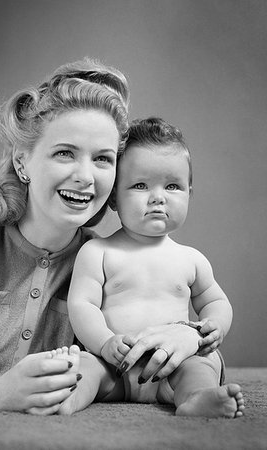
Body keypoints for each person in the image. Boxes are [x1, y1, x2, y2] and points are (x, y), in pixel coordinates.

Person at [0, 60, 205, 450]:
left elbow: (166, 350)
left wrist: (186, 336)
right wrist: (2, 393)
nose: (86, 176)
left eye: (102, 158)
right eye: (65, 153)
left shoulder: (104, 260)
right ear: (22, 161)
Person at [67, 117, 245, 418]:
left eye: (173, 186)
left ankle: (196, 398)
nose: (158, 197)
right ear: (113, 198)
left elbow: (215, 301)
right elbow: (82, 305)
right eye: (140, 185)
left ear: (190, 193)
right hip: (115, 364)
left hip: (172, 369)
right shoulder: (97, 251)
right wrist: (104, 342)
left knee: (203, 362)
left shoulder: (191, 259)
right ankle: (68, 400)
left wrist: (214, 327)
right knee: (85, 367)